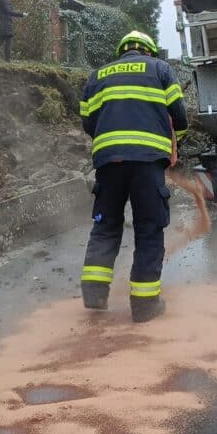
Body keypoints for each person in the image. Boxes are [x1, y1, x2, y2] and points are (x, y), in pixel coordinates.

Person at [79, 30, 188, 322]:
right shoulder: (160, 69)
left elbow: (88, 120)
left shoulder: (98, 75)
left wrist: (110, 143)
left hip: (108, 161)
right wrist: (176, 142)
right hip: (148, 162)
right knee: (149, 229)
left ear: (122, 51)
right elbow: (179, 115)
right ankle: (144, 306)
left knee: (105, 225)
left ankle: (94, 295)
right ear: (148, 51)